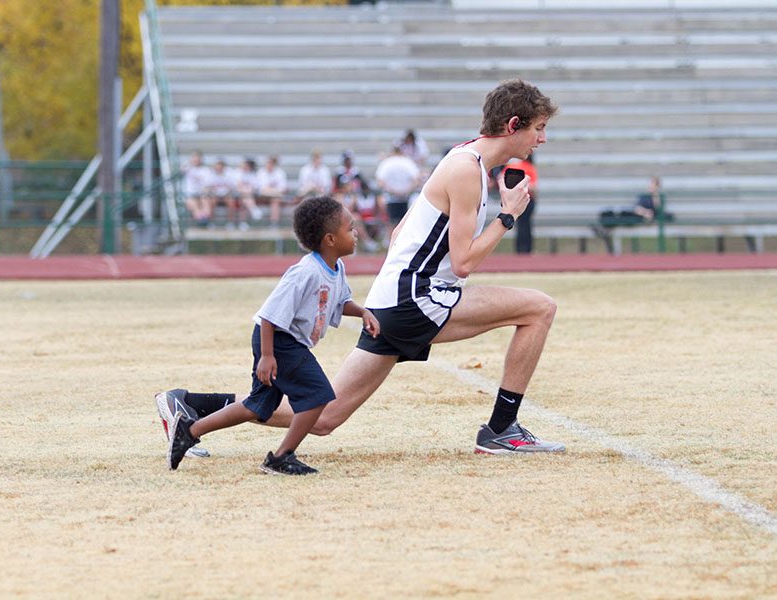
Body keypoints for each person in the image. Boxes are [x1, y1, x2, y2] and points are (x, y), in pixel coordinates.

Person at [165, 78, 564, 457]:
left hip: (395, 299)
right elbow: (462, 263)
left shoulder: (462, 160)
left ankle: (193, 406)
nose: (543, 139)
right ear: (513, 124)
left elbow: (402, 233)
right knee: (539, 307)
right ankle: (501, 429)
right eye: (539, 128)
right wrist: (507, 217)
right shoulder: (466, 170)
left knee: (324, 417)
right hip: (415, 300)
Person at [160, 196, 381, 474]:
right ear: (330, 240)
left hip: (285, 343)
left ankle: (189, 431)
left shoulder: (336, 269)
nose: (356, 232)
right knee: (318, 396)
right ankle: (281, 457)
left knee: (258, 406)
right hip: (279, 341)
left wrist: (362, 312)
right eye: (350, 228)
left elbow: (338, 302)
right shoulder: (306, 272)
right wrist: (267, 356)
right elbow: (269, 315)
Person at [375, 144, 422, 227]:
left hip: (391, 198)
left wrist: (393, 191)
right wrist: (406, 190)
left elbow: (380, 182)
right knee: (404, 224)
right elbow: (417, 180)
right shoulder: (408, 162)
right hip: (405, 197)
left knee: (392, 223)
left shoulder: (386, 163)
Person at [502, 154, 539, 254]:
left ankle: (519, 249)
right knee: (526, 225)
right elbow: (534, 187)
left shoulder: (513, 166)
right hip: (527, 199)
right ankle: (527, 249)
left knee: (519, 225)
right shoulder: (530, 167)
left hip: (515, 199)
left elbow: (501, 178)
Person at [182, 151, 213, 226]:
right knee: (194, 204)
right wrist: (190, 162)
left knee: (206, 201)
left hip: (202, 194)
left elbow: (208, 186)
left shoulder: (206, 170)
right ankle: (201, 222)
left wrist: (203, 193)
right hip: (189, 194)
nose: (196, 160)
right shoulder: (188, 168)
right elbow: (182, 169)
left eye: (198, 158)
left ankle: (205, 220)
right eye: (194, 158)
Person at [256, 155, 289, 226]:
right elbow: (261, 189)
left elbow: (283, 188)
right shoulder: (261, 172)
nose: (269, 165)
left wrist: (270, 190)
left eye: (271, 163)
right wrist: (275, 190)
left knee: (275, 200)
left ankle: (274, 222)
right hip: (262, 196)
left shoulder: (280, 172)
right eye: (268, 163)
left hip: (275, 196)